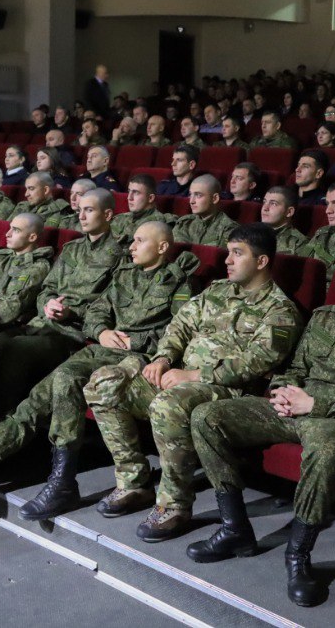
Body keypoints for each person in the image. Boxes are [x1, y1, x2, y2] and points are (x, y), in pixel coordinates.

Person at [0, 220, 198, 522]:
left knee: (65, 378)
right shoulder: (125, 274)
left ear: (162, 247)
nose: (132, 246)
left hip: (139, 358)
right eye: (134, 240)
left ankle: (62, 481)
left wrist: (137, 341)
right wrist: (102, 330)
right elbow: (97, 311)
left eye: (140, 241)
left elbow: (178, 332)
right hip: (101, 350)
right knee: (38, 398)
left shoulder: (179, 282)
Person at [187, 256, 335, 607]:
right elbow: (294, 366)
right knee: (207, 417)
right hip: (294, 406)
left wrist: (314, 403)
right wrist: (283, 391)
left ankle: (298, 555)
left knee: (325, 450)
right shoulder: (323, 317)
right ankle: (235, 528)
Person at [84, 224, 302, 541]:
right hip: (181, 377)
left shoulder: (279, 310)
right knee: (103, 383)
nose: (227, 260)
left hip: (228, 392)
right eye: (228, 252)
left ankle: (174, 505)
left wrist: (195, 376)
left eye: (237, 253)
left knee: (168, 405)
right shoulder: (217, 291)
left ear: (262, 261)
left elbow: (257, 362)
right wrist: (163, 358)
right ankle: (134, 482)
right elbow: (180, 326)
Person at [0, 190, 126, 418]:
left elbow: (110, 303)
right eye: (80, 210)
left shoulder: (121, 254)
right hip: (41, 322)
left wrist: (70, 312)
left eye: (89, 210)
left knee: (16, 349)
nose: (81, 216)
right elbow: (46, 289)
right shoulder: (72, 248)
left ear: (108, 214)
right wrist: (48, 303)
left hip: (71, 333)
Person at [0, 213, 55, 327]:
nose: (7, 234)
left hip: (5, 323)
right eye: (10, 228)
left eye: (16, 230)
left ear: (32, 237)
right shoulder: (1, 256)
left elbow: (11, 308)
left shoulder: (38, 266)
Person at [171, 175, 237, 248]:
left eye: (198, 195)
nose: (191, 201)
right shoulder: (185, 223)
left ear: (215, 198)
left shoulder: (229, 229)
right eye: (190, 194)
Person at [112, 175, 167, 243]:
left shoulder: (156, 224)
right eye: (129, 191)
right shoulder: (119, 218)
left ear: (150, 198)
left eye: (136, 192)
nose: (129, 198)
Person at [260, 185, 309, 254]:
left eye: (273, 204)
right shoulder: (252, 233)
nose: (265, 208)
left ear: (289, 212)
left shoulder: (299, 244)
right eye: (264, 202)